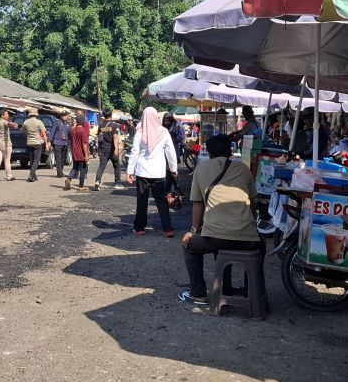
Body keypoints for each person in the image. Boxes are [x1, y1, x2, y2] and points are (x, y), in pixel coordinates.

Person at [179, 134, 265, 306]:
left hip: (214, 237)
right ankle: (251, 292)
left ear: (209, 153)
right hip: (247, 239)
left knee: (190, 247)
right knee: (259, 246)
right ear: (230, 152)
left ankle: (199, 294)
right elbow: (253, 204)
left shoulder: (201, 169)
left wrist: (193, 232)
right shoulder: (243, 169)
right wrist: (250, 227)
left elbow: (198, 205)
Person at [127, 106, 178, 237]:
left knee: (142, 200)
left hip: (142, 172)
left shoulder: (140, 133)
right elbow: (170, 152)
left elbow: (134, 153)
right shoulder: (164, 132)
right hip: (159, 172)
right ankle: (168, 229)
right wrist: (173, 169)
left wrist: (130, 171)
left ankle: (139, 228)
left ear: (143, 117)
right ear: (156, 117)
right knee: (161, 201)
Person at [93, 117, 122, 190]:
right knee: (116, 166)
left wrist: (99, 149)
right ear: (111, 117)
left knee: (101, 166)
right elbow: (115, 137)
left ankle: (97, 181)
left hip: (103, 149)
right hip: (112, 149)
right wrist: (116, 149)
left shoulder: (100, 126)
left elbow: (99, 139)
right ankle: (117, 183)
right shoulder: (115, 125)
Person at [64, 114, 92, 190]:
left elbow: (69, 138)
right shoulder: (83, 131)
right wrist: (86, 155)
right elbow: (84, 144)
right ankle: (81, 186)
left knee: (75, 167)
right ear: (82, 121)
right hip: (81, 153)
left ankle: (69, 179)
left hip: (74, 152)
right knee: (82, 169)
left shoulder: (72, 130)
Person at [22, 109, 48, 182]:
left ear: (29, 115)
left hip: (29, 143)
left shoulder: (26, 122)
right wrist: (46, 144)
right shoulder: (39, 122)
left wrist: (28, 133)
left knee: (32, 159)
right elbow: (44, 134)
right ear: (36, 115)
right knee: (36, 160)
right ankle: (31, 174)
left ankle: (34, 176)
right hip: (37, 143)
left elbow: (22, 131)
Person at [0, 108, 16, 182]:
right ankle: (9, 176)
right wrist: (13, 124)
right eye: (6, 114)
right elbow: (8, 124)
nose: (8, 115)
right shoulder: (4, 122)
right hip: (6, 145)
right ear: (2, 115)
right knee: (7, 161)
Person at [50, 113, 72, 178]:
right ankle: (59, 173)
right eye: (63, 115)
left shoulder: (68, 124)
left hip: (65, 143)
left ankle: (61, 171)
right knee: (58, 158)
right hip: (57, 143)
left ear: (67, 116)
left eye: (65, 115)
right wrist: (49, 142)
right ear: (60, 116)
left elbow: (70, 134)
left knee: (63, 159)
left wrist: (70, 142)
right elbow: (52, 132)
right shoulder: (57, 123)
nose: (64, 117)